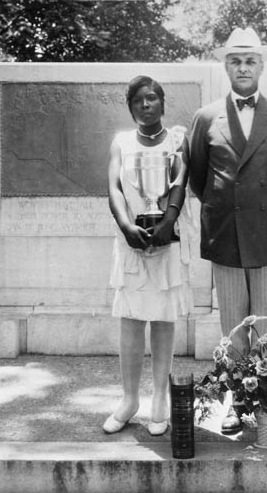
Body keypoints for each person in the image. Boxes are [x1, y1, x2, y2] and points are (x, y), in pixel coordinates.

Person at [187, 26, 267, 434]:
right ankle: (236, 403)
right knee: (233, 330)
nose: (243, 67)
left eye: (250, 60)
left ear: (261, 65)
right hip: (227, 237)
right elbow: (199, 179)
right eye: (235, 60)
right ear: (225, 66)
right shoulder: (205, 118)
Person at [102, 75, 193, 437]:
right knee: (130, 319)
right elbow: (114, 188)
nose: (145, 105)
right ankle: (129, 399)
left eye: (152, 98)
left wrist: (167, 222)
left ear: (163, 104)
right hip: (131, 242)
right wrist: (127, 228)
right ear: (130, 107)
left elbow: (179, 182)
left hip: (165, 238)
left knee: (163, 317)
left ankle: (159, 398)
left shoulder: (176, 140)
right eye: (138, 100)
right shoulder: (120, 142)